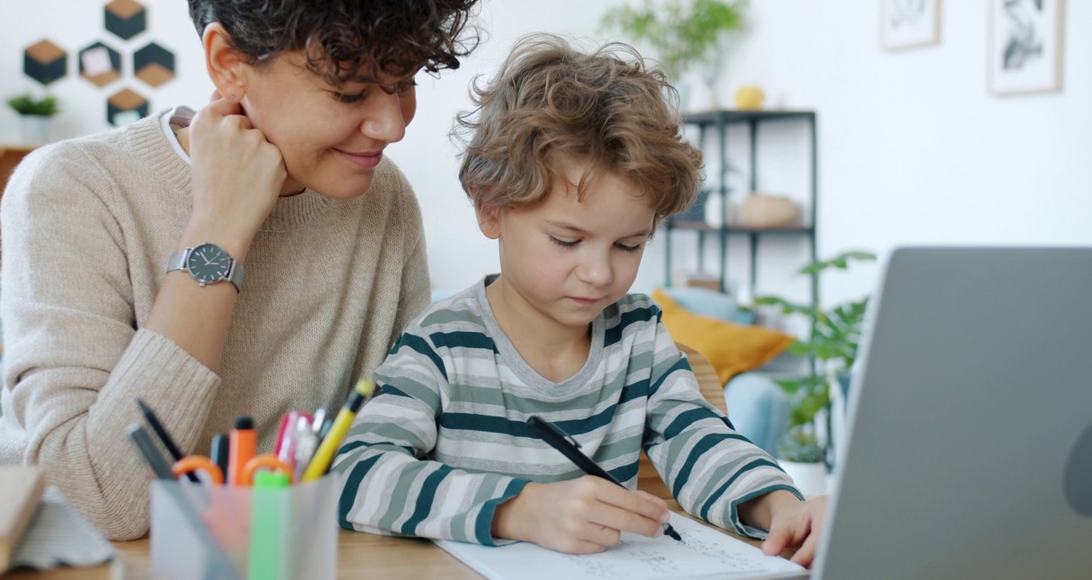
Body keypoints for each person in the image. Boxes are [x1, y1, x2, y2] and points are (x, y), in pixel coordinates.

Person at [0, 0, 487, 540]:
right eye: (349, 91)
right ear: (227, 63)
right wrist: (217, 233)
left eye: (405, 82)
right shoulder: (72, 191)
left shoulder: (380, 197)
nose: (393, 124)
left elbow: (392, 452)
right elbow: (100, 502)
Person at [332, 34, 828, 566]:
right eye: (567, 241)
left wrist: (780, 507)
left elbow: (698, 440)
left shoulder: (637, 337)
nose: (598, 273)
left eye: (628, 245)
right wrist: (519, 510)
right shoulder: (442, 343)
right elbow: (353, 474)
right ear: (492, 207)